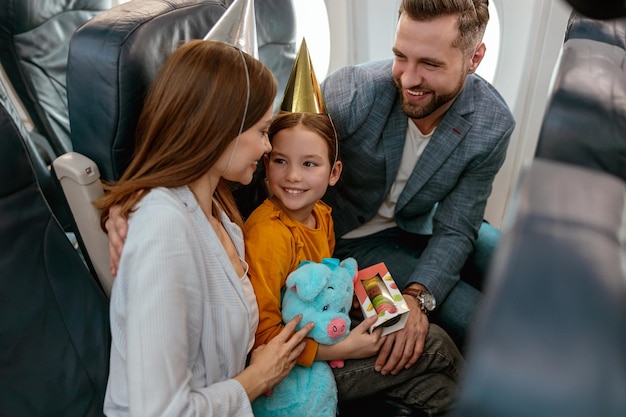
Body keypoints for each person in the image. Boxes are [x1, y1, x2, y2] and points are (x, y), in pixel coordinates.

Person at [95, 39, 314, 417]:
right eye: (262, 131)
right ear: (220, 127)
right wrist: (256, 379)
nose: (266, 148)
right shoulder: (163, 228)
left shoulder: (219, 209)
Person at [245, 40, 462, 417]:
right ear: (266, 165)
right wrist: (343, 350)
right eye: (281, 161)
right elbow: (265, 340)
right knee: (435, 344)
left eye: (309, 164)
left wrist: (380, 303)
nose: (293, 176)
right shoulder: (268, 234)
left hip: (326, 331)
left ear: (334, 173)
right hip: (301, 369)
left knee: (438, 391)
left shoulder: (322, 216)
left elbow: (329, 278)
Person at [320, 0, 515, 349]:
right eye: (401, 56)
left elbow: (457, 228)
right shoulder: (349, 96)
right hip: (346, 244)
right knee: (478, 321)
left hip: (420, 224)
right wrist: (412, 299)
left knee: (520, 267)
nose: (408, 78)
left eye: (429, 63)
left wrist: (418, 295)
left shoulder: (491, 124)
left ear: (475, 59)